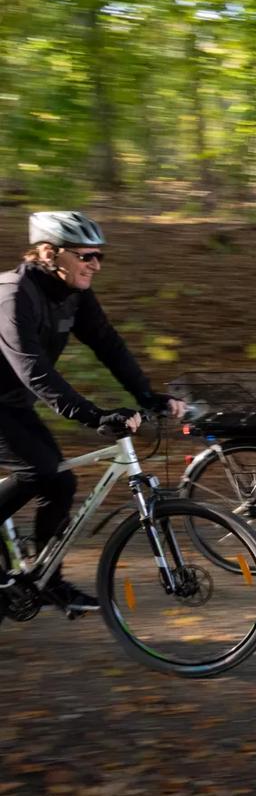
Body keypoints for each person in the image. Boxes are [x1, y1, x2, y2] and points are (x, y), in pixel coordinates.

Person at [0, 211, 186, 613]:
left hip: (11, 404)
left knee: (61, 483)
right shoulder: (14, 294)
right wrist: (93, 415)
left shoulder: (73, 294)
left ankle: (47, 580)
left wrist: (146, 394)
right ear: (50, 253)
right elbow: (34, 369)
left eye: (100, 257)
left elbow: (108, 344)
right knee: (40, 470)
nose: (95, 265)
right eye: (86, 256)